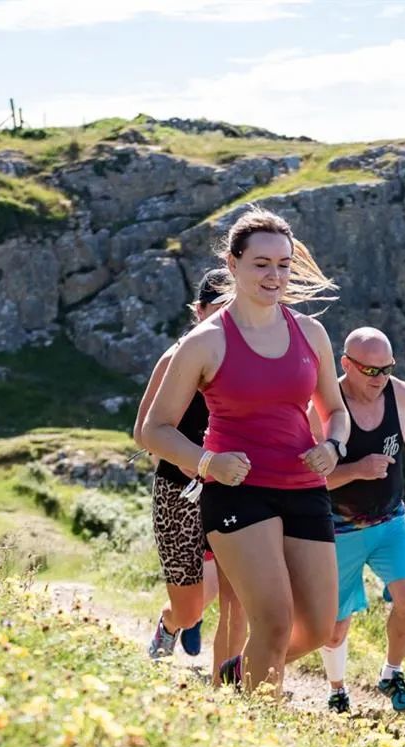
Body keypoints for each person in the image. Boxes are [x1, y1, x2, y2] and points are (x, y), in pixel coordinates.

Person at [142, 206, 350, 696]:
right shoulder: (206, 341)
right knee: (274, 622)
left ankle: (236, 676)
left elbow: (336, 411)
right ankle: (257, 719)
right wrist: (208, 462)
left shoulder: (310, 332)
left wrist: (334, 445)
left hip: (304, 486)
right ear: (233, 264)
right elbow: (153, 429)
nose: (274, 275)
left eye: (283, 264)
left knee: (318, 628)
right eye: (261, 264)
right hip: (237, 490)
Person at [133, 268, 247, 679]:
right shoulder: (176, 357)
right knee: (191, 606)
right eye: (218, 309)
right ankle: (171, 624)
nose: (226, 320)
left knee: (238, 595)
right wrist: (191, 458)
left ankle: (230, 683)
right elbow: (143, 432)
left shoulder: (250, 362)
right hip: (179, 492)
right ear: (198, 311)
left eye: (233, 310)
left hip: (234, 491)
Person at [311, 328, 405, 714]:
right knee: (334, 629)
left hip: (390, 520)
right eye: (369, 370)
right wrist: (357, 470)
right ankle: (337, 689)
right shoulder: (322, 407)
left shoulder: (401, 394)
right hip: (337, 530)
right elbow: (308, 480)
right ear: (345, 364)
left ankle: (392, 673)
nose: (379, 379)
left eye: (386, 369)